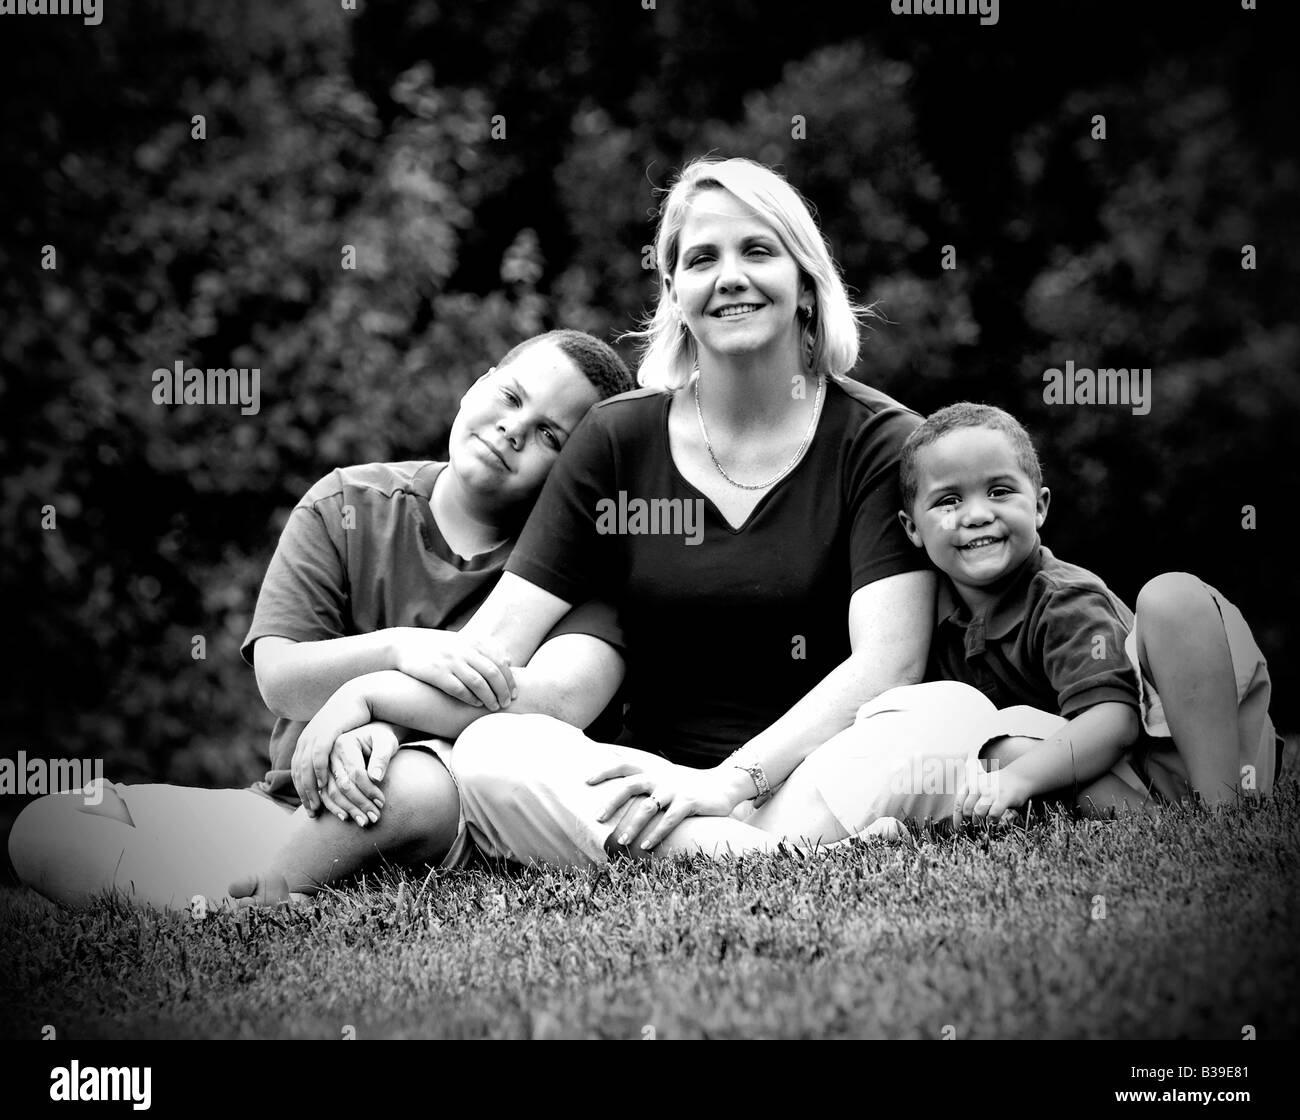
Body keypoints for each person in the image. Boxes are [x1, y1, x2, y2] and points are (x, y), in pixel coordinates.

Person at [288, 155, 938, 869]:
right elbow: (493, 654)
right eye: (701, 259)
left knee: (928, 722)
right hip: (645, 794)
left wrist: (730, 783)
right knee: (494, 747)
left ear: (806, 283)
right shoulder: (615, 440)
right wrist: (378, 702)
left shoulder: (884, 443)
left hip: (814, 775)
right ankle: (787, 862)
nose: (730, 277)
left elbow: (889, 664)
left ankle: (756, 850)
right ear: (674, 292)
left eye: (758, 251)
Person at [7, 330, 636, 909]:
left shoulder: (573, 575)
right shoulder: (347, 503)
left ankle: (254, 899)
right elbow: (280, 679)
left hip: (441, 814)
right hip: (295, 802)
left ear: (577, 475)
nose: (512, 429)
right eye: (509, 396)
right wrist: (397, 649)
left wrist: (380, 714)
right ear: (479, 381)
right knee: (49, 827)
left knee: (414, 784)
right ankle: (238, 884)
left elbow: (553, 704)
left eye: (551, 435)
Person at [657, 399, 1280, 849]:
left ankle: (1222, 818)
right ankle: (1150, 825)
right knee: (986, 742)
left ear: (1039, 507)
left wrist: (1016, 781)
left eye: (1000, 492)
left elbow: (1113, 723)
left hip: (1188, 749)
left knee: (1171, 597)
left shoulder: (1060, 599)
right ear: (910, 531)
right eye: (949, 501)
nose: (976, 515)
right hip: (1114, 792)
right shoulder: (931, 623)